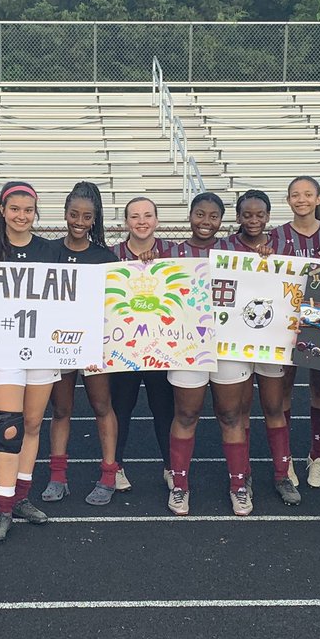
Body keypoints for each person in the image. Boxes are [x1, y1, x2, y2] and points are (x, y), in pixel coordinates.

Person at [0, 181, 58, 542]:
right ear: (3, 211)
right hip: (1, 350)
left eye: (28, 209)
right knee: (8, 427)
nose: (22, 215)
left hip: (42, 349)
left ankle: (20, 498)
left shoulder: (50, 251)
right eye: (15, 208)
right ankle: (3, 510)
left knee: (34, 425)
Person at [165, 192, 261, 516]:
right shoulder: (173, 254)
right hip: (186, 345)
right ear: (190, 216)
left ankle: (238, 485)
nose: (206, 222)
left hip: (229, 345)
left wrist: (265, 259)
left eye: (213, 217)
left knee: (231, 415)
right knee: (186, 415)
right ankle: (179, 486)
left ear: (222, 221)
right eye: (200, 215)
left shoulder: (238, 252)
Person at [43, 182, 121, 505]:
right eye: (73, 214)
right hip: (56, 344)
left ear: (95, 219)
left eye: (86, 217)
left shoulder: (106, 257)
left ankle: (108, 475)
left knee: (102, 406)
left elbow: (118, 306)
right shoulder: (48, 252)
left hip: (95, 346)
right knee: (60, 409)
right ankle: (57, 476)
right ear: (64, 214)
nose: (78, 221)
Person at [223, 190, 296, 511]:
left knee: (274, 407)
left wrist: (274, 265)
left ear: (268, 216)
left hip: (272, 342)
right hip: (233, 341)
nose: (253, 220)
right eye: (247, 215)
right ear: (238, 217)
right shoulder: (223, 248)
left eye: (259, 215)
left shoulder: (282, 248)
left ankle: (282, 474)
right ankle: (242, 475)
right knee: (236, 411)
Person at [108, 197, 177, 491]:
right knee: (120, 408)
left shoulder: (174, 255)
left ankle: (171, 466)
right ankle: (116, 466)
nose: (141, 221)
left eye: (148, 215)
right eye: (134, 216)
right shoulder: (110, 257)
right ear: (126, 222)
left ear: (157, 220)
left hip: (162, 347)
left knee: (165, 409)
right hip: (123, 348)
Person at [277, 176, 320, 490]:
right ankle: (285, 459)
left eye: (307, 194)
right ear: (288, 200)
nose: (301, 199)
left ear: (318, 198)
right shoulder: (279, 235)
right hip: (285, 317)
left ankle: (317, 456)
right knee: (283, 386)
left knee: (318, 386)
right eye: (295, 195)